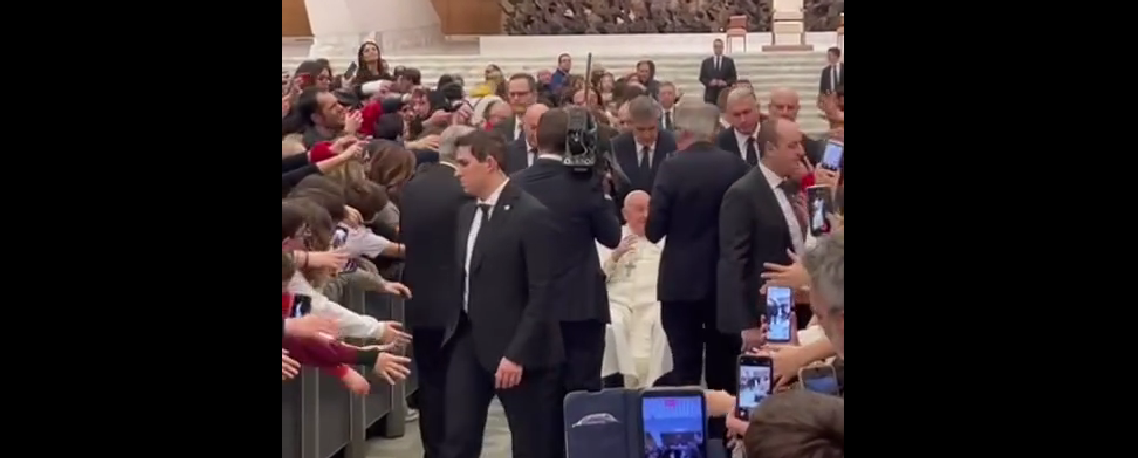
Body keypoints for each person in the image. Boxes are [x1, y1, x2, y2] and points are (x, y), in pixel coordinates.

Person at [442, 129, 563, 458]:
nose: (457, 172)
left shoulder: (532, 215)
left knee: (530, 445)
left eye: (464, 164)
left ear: (490, 163)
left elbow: (543, 292)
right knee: (457, 439)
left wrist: (517, 354)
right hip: (467, 339)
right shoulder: (466, 213)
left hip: (518, 348)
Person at [646, 101, 749, 447]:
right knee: (724, 368)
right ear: (715, 130)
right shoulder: (736, 166)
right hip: (724, 283)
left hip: (680, 282)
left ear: (683, 132)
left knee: (685, 368)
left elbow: (654, 230)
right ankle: (726, 440)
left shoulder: (671, 167)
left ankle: (683, 443)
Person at [513, 107, 621, 395]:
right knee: (581, 397)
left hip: (531, 308)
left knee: (538, 396)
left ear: (537, 138)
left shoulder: (515, 184)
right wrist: (605, 191)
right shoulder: (587, 184)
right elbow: (612, 237)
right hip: (580, 306)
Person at [399, 125, 474, 458]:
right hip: (459, 303)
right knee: (461, 386)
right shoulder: (465, 189)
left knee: (430, 383)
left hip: (421, 299)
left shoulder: (413, 187)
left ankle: (433, 450)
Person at [718, 118, 808, 350]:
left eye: (800, 144)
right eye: (793, 145)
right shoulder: (743, 193)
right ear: (770, 148)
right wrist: (745, 325)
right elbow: (733, 263)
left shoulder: (793, 187)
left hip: (802, 306)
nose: (801, 152)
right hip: (767, 311)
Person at [596, 191, 673, 388]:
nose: (645, 215)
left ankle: (651, 387)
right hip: (619, 302)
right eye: (639, 210)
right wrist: (616, 255)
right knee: (613, 325)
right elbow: (599, 275)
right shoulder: (612, 236)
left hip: (653, 302)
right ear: (625, 213)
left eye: (648, 209)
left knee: (662, 326)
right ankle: (620, 384)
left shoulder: (663, 238)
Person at [612, 96, 678, 195]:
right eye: (641, 129)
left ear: (658, 122)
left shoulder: (672, 144)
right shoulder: (617, 146)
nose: (647, 136)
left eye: (652, 128)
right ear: (631, 124)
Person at [716, 87, 761, 167]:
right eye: (736, 115)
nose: (743, 120)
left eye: (746, 112)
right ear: (728, 116)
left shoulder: (772, 135)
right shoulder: (720, 143)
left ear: (757, 109)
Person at [505, 103, 550, 174]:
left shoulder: (560, 152)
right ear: (524, 126)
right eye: (533, 128)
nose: (536, 133)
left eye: (541, 128)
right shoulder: (508, 152)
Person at [495, 73, 539, 142]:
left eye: (521, 94)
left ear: (534, 95)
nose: (516, 98)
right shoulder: (500, 129)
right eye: (512, 94)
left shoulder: (548, 124)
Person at [698, 39, 737, 104]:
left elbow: (733, 78)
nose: (718, 49)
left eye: (719, 46)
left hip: (724, 95)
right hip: (710, 96)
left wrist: (725, 83)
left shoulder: (729, 62)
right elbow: (702, 78)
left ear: (722, 47)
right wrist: (710, 82)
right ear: (713, 48)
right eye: (716, 46)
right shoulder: (706, 62)